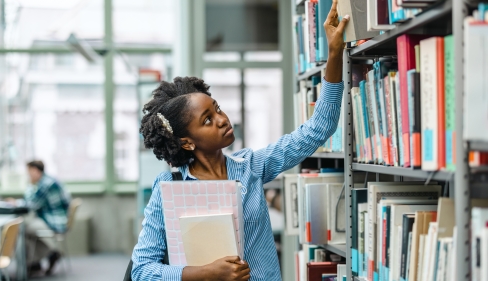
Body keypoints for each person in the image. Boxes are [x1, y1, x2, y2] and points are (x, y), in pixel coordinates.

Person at [131, 1, 349, 279]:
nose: (222, 119)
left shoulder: (251, 167)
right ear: (187, 142)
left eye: (217, 108)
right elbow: (142, 271)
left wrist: (334, 54)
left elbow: (319, 129)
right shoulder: (167, 190)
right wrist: (205, 273)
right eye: (207, 120)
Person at [24, 160, 71, 275]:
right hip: (59, 217)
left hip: (54, 220)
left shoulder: (46, 184)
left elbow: (32, 204)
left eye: (29, 172)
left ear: (35, 171)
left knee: (24, 229)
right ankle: (38, 261)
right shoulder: (48, 180)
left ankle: (50, 253)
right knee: (30, 228)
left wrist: (30, 186)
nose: (28, 175)